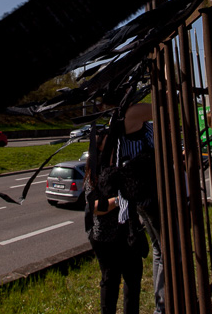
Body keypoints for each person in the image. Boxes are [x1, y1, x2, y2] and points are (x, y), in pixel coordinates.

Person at [85, 126, 143, 314]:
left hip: (128, 233)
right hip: (106, 238)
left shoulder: (123, 164)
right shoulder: (95, 172)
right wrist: (119, 200)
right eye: (108, 142)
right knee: (110, 281)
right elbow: (95, 207)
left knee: (133, 280)